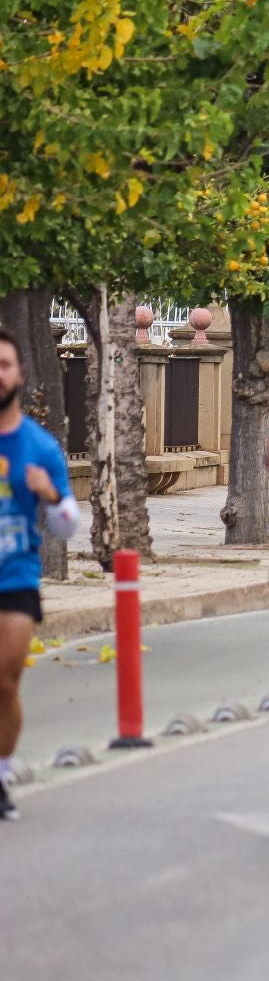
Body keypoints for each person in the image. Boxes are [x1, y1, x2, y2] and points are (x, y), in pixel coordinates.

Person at [0, 326, 80, 821]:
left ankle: (2, 772)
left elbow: (67, 525)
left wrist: (50, 495)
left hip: (16, 578)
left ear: (19, 374)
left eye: (4, 365)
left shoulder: (41, 447)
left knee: (6, 683)